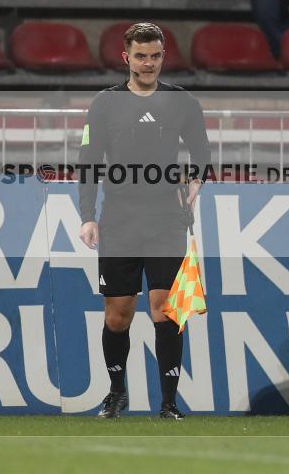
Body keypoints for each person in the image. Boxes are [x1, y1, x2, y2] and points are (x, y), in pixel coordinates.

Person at [78, 22, 211, 420]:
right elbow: (88, 162)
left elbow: (202, 153)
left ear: (163, 56)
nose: (148, 63)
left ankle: (169, 403)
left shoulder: (182, 102)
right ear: (127, 58)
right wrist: (87, 216)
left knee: (165, 309)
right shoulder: (105, 103)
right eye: (140, 56)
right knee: (118, 314)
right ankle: (116, 392)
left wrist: (196, 182)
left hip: (166, 218)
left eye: (154, 56)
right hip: (119, 219)